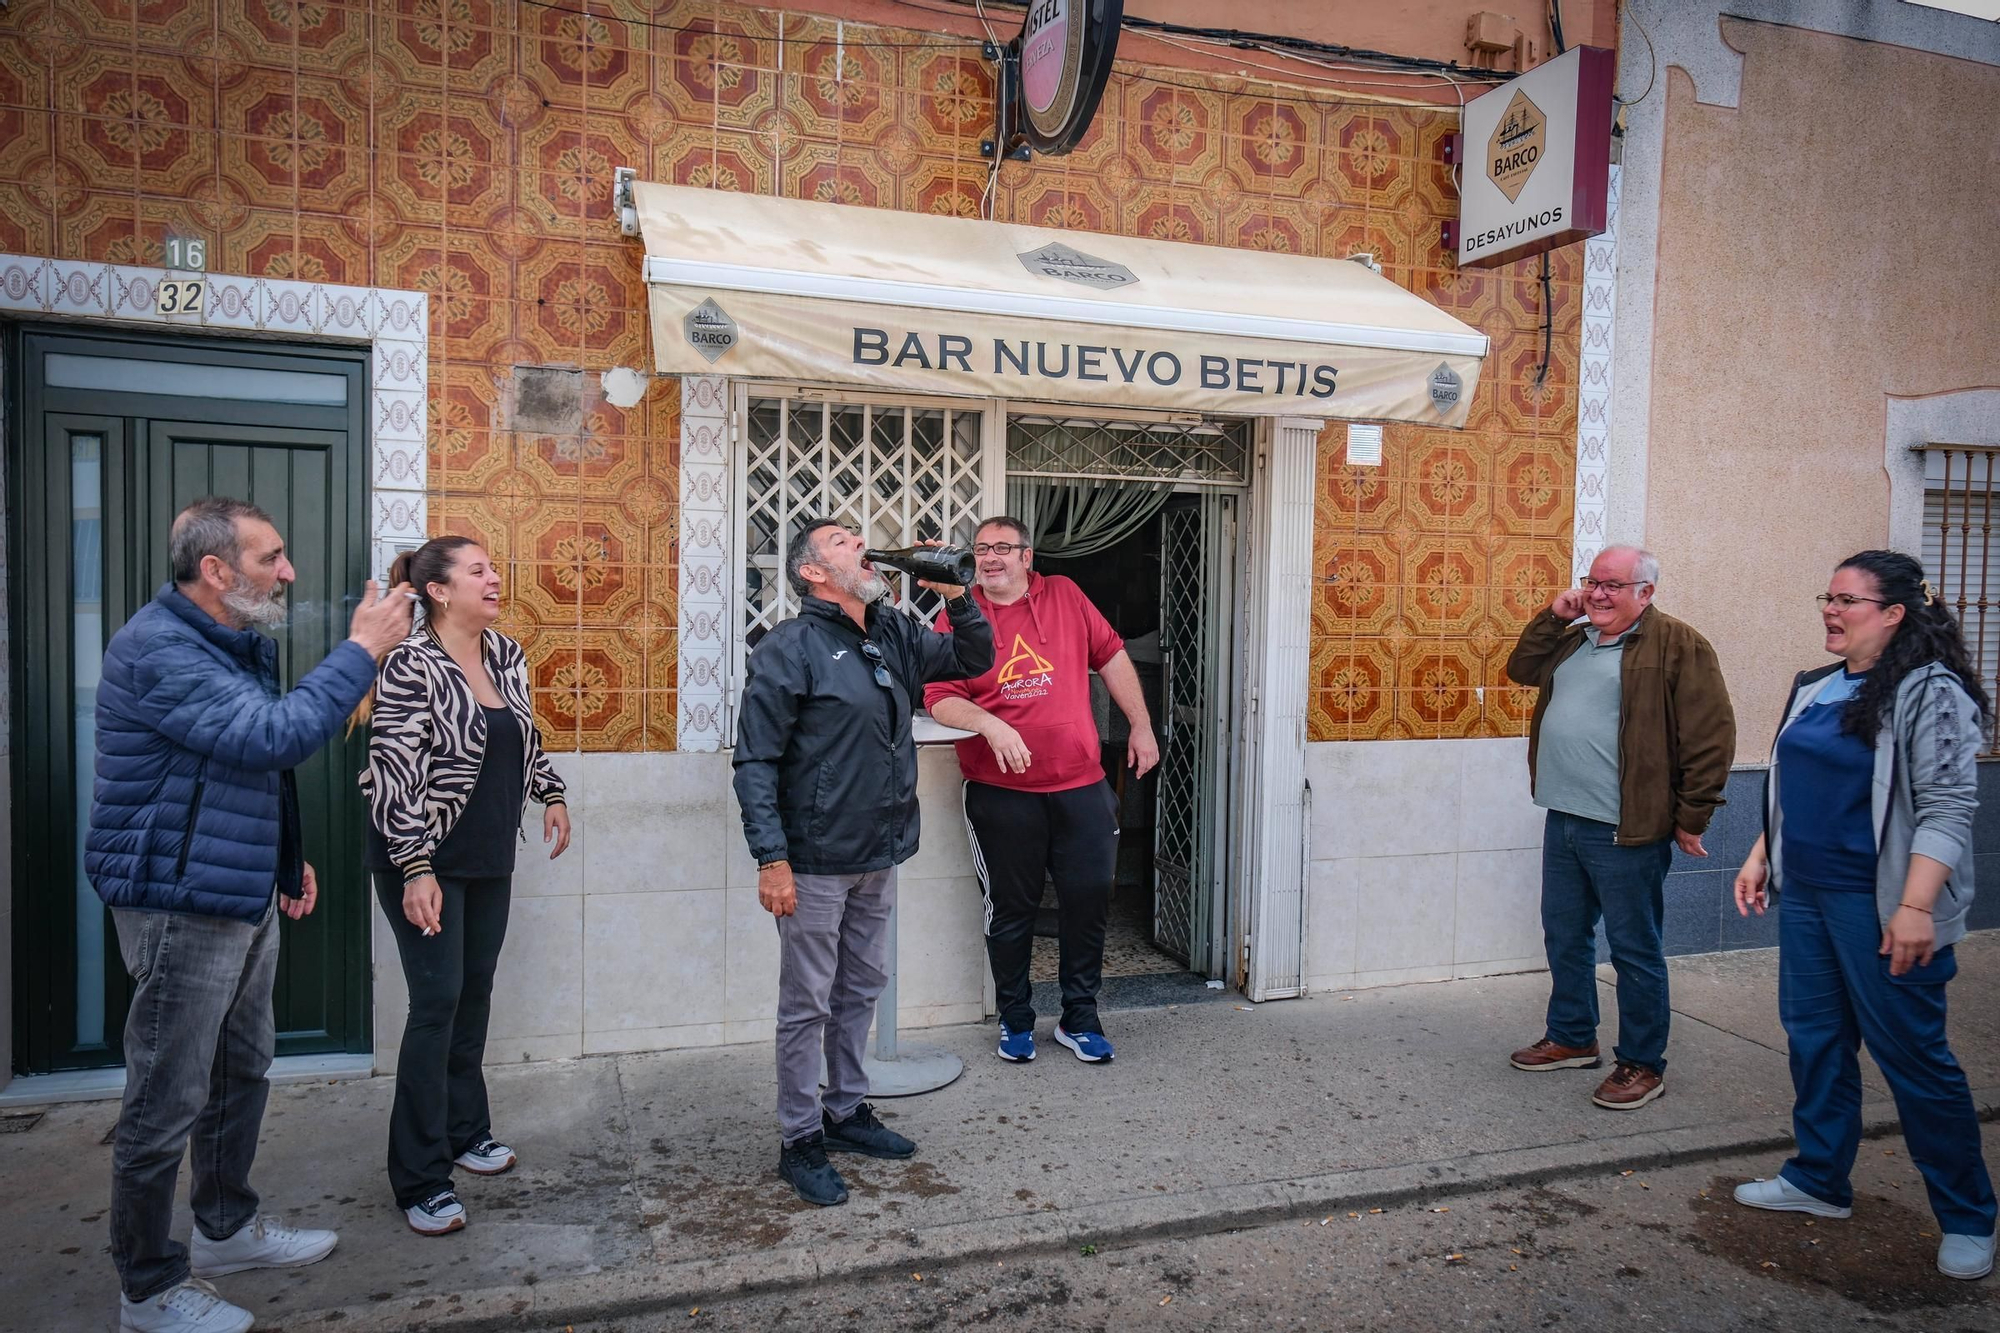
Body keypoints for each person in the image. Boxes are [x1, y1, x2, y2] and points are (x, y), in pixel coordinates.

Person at [87, 497, 412, 1333]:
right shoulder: (160, 650)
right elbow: (276, 736)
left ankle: (225, 1229)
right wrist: (362, 648)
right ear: (217, 571)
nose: (289, 571)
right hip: (177, 899)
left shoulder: (229, 643)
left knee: (241, 1069)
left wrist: (283, 854)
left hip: (235, 886)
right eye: (272, 557)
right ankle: (149, 1286)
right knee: (166, 1097)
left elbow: (247, 771)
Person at [1731, 550, 1995, 1281]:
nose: (1831, 609)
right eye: (1828, 595)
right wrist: (1761, 854)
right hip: (1809, 897)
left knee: (1916, 1061)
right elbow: (1793, 785)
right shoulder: (1817, 687)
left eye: (1847, 599)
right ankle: (1818, 1179)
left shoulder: (1929, 691)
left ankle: (1970, 1214)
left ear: (1894, 613)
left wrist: (1915, 907)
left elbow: (1947, 807)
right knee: (1814, 1041)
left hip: (1879, 907)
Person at [733, 520, 993, 1207]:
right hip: (813, 859)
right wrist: (772, 858)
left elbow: (974, 656)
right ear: (813, 572)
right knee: (807, 1001)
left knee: (862, 986)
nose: (865, 546)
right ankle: (799, 1137)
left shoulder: (895, 632)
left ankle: (845, 1111)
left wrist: (955, 595)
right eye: (845, 541)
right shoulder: (790, 647)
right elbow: (755, 760)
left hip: (879, 849)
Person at [360, 536, 571, 1236]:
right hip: (422, 859)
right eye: (478, 570)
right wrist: (416, 866)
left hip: (487, 857)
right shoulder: (411, 664)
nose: (495, 577)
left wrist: (552, 793)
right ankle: (419, 1177)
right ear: (440, 590)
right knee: (436, 1002)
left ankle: (465, 1129)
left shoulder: (506, 653)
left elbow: (526, 736)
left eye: (494, 566)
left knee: (472, 993)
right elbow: (393, 768)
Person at [1503, 545, 1734, 1110]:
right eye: (1593, 582)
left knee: (1634, 949)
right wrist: (1557, 615)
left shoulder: (1678, 645)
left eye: (1613, 585)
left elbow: (1710, 737)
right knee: (1565, 935)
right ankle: (1573, 1036)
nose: (1598, 594)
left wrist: (1690, 817)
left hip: (1627, 826)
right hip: (1565, 816)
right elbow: (1520, 670)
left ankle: (1641, 1064)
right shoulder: (1574, 638)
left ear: (1646, 592)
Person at [924, 517, 1158, 1065]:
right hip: (1000, 792)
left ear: (1028, 556)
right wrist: (991, 724)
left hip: (1082, 787)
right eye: (982, 549)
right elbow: (938, 696)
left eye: (1003, 548)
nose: (990, 558)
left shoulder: (1066, 595)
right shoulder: (957, 616)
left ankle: (1080, 1020)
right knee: (1011, 910)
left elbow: (1113, 655)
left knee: (1089, 903)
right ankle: (1016, 1020)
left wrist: (1142, 725)